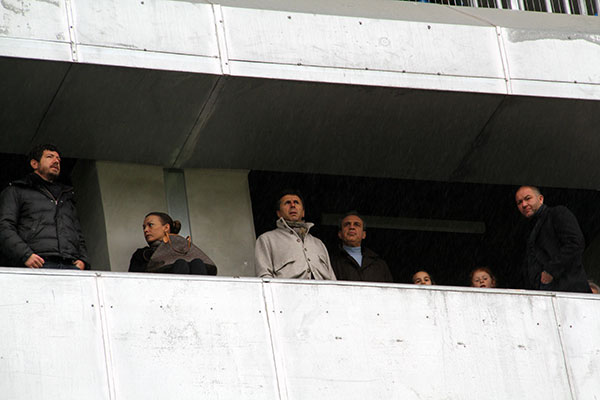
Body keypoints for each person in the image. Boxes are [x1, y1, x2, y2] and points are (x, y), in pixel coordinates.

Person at [0, 144, 88, 270]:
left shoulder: (66, 196)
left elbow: (78, 233)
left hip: (71, 265)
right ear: (35, 164)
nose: (56, 161)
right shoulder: (16, 190)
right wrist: (26, 255)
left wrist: (83, 260)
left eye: (58, 159)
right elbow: (4, 227)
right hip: (38, 264)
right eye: (50, 157)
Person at [515, 186, 591, 293]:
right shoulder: (528, 228)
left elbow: (575, 243)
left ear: (540, 199)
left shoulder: (557, 213)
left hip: (567, 288)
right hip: (542, 292)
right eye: (519, 202)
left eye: (528, 198)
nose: (524, 204)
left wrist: (550, 271)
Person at [255, 189, 335, 280]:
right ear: (279, 213)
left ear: (303, 212)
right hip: (288, 292)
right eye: (287, 203)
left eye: (296, 202)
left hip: (323, 292)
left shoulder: (318, 243)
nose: (292, 205)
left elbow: (332, 278)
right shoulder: (267, 239)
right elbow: (264, 277)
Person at [129, 212, 217, 275]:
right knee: (180, 265)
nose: (146, 230)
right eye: (144, 227)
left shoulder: (185, 247)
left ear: (166, 227)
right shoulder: (141, 255)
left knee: (197, 263)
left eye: (150, 225)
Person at [330, 211, 393, 282]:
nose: (351, 227)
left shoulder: (379, 264)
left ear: (364, 234)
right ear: (340, 234)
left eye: (356, 224)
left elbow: (390, 291)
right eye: (347, 224)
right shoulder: (330, 262)